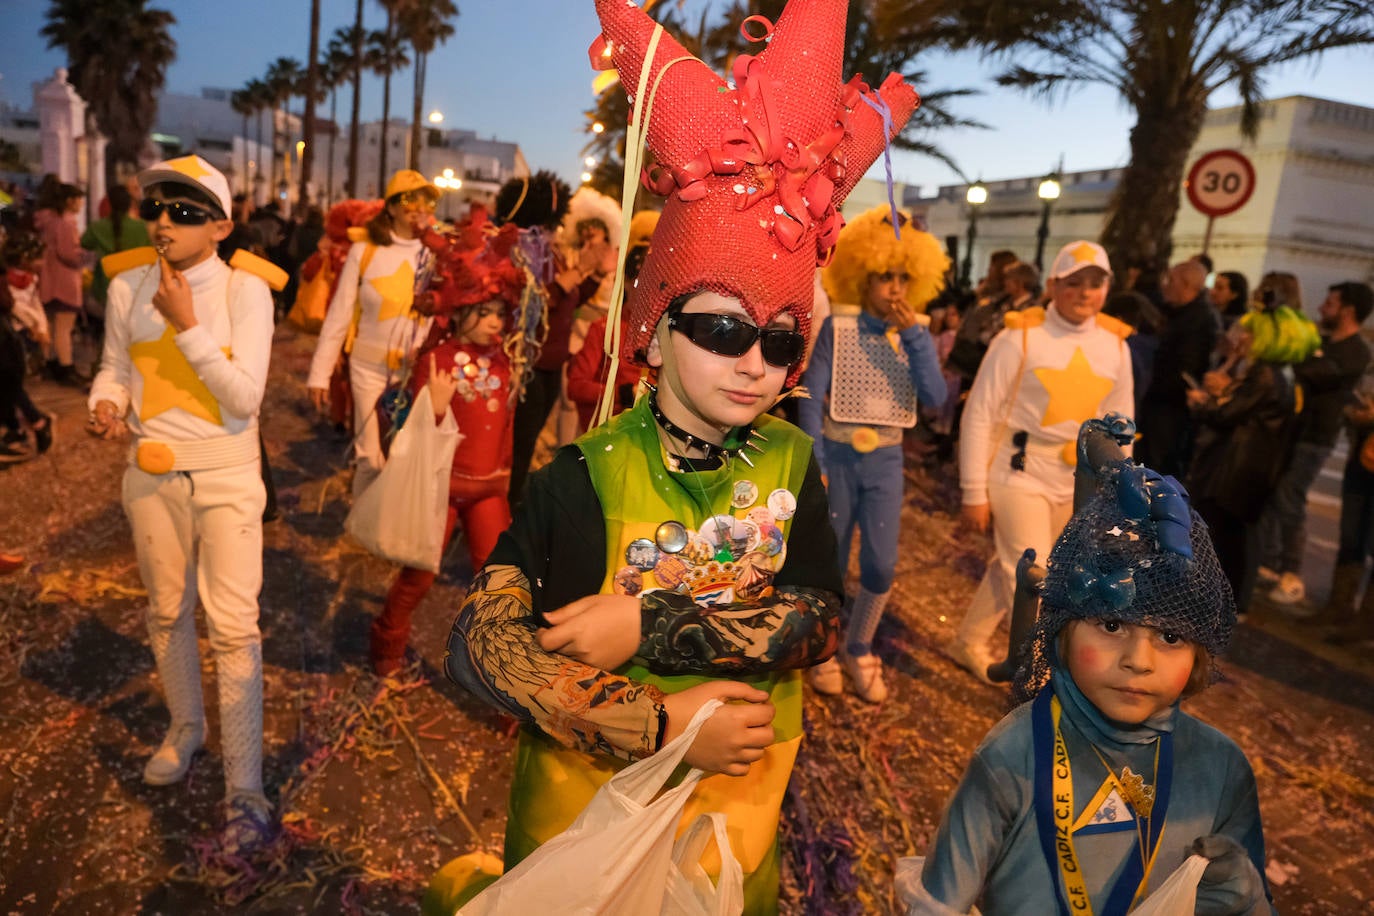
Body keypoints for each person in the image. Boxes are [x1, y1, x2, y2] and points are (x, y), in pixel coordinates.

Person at [435, 0, 917, 911]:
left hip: (735, 832)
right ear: (653, 334)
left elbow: (816, 615)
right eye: (725, 327)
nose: (754, 361)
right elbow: (478, 646)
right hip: (587, 843)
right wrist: (657, 721)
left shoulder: (788, 462)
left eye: (781, 341)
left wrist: (651, 627)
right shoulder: (586, 474)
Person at [903, 462, 1277, 915]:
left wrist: (1249, 897)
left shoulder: (1221, 771)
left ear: (1200, 653)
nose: (1139, 661)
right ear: (1061, 629)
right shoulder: (1012, 757)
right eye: (1112, 624)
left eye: (1171, 637)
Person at [85, 155, 284, 852]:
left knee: (235, 630)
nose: (165, 222)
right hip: (150, 477)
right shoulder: (127, 286)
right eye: (157, 209)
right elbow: (113, 365)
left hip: (228, 477)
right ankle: (186, 728)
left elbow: (244, 398)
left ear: (222, 226)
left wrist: (188, 325)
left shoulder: (244, 292)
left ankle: (246, 789)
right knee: (166, 611)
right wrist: (106, 402)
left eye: (186, 211)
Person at [948, 241, 1134, 684]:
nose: (1085, 293)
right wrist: (974, 489)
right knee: (1038, 574)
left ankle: (968, 641)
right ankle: (1037, 674)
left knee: (1015, 564)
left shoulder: (1116, 346)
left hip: (1078, 480)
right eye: (1074, 283)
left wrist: (1121, 490)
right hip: (1019, 472)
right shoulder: (1019, 338)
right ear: (1053, 285)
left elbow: (1123, 424)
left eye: (1095, 283)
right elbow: (980, 414)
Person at [799, 207, 948, 702]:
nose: (896, 288)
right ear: (862, 276)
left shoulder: (914, 335)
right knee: (833, 561)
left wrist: (916, 339)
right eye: (886, 275)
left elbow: (935, 399)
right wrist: (816, 462)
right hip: (839, 458)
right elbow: (811, 397)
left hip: (886, 461)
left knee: (882, 565)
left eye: (905, 277)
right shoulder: (836, 331)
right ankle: (824, 646)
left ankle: (859, 643)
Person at [369, 209, 524, 676]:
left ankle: (506, 679)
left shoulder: (505, 361)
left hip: (489, 490)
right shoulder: (437, 359)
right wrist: (433, 406)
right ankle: (387, 648)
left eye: (500, 313)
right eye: (485, 312)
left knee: (499, 582)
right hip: (440, 487)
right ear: (459, 310)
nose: (495, 322)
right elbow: (413, 435)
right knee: (419, 575)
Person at [306, 170, 439, 497]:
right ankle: (363, 522)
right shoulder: (364, 250)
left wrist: (426, 352)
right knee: (369, 456)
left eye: (427, 200)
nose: (420, 207)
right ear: (391, 207)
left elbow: (443, 315)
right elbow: (339, 313)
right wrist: (319, 373)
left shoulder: (436, 255)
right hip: (367, 367)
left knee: (405, 453)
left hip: (412, 371)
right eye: (410, 199)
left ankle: (391, 523)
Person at [1186, 303, 1315, 614]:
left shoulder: (1265, 374)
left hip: (1236, 468)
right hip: (1250, 467)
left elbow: (1228, 414)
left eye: (1250, 331)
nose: (1242, 336)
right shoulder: (1280, 374)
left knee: (1226, 538)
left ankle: (1224, 605)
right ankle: (1227, 603)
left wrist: (1203, 404)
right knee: (1233, 538)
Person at [1257, 280, 1373, 606]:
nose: (1322, 307)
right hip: (1294, 430)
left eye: (1330, 303)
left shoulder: (1356, 351)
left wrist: (1305, 358)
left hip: (1317, 436)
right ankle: (1270, 563)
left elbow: (1316, 373)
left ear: (1348, 311)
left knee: (1290, 498)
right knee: (1276, 495)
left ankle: (1291, 573)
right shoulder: (1320, 340)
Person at [1135, 258, 1218, 478]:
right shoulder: (1176, 312)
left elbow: (1186, 368)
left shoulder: (1198, 319)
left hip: (1170, 410)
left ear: (1187, 285)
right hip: (1158, 404)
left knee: (1155, 469)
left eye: (1170, 280)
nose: (1165, 285)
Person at [2, 232, 54, 460]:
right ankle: (25, 427)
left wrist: (39, 327)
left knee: (10, 384)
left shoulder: (26, 280)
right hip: (12, 331)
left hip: (12, 335)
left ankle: (31, 425)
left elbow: (21, 305)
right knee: (10, 385)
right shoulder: (10, 278)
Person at [34, 181, 87, 386]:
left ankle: (49, 363)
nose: (81, 204)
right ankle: (66, 367)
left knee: (51, 324)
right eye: (79, 200)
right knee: (65, 326)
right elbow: (68, 253)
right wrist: (84, 257)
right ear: (69, 201)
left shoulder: (47, 220)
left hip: (47, 278)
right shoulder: (67, 222)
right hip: (65, 279)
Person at [81, 183, 150, 318]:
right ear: (130, 203)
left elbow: (84, 243)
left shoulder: (97, 227)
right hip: (136, 286)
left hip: (104, 287)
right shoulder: (142, 228)